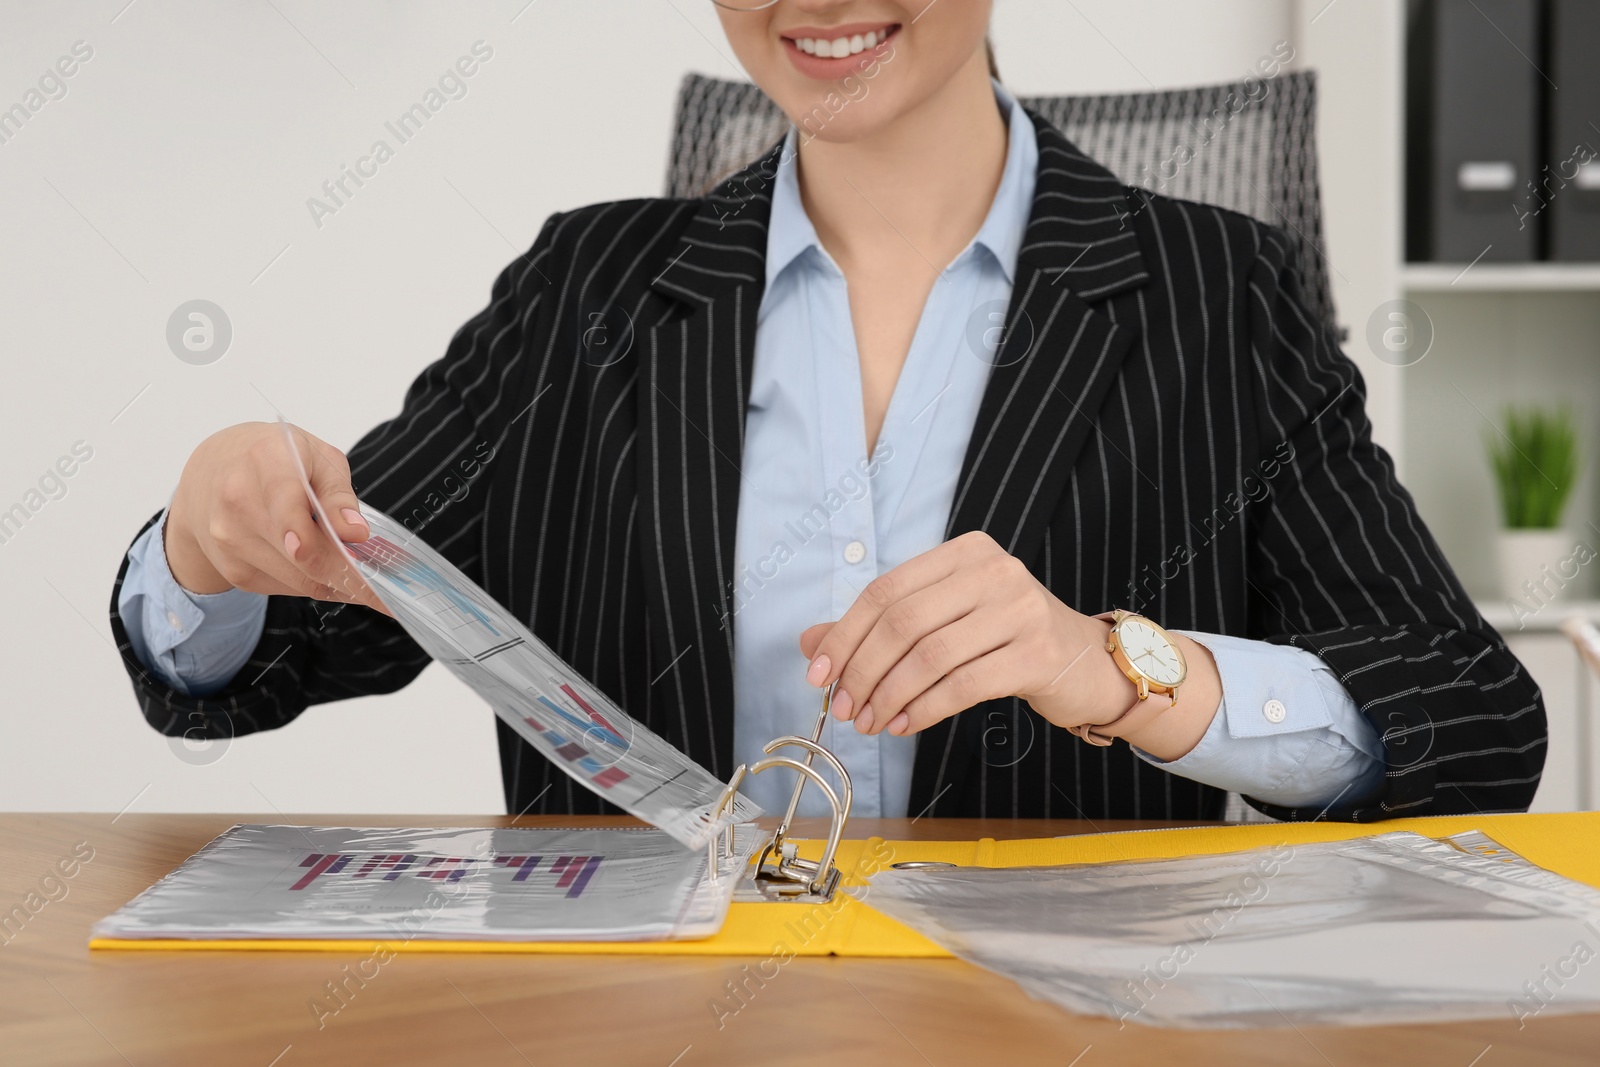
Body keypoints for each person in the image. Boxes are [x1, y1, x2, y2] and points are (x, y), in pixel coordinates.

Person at [111, 0, 1544, 823]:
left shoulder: (1212, 293)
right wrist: (202, 544)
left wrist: (1117, 669)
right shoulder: (584, 290)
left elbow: (1475, 720)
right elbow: (282, 641)